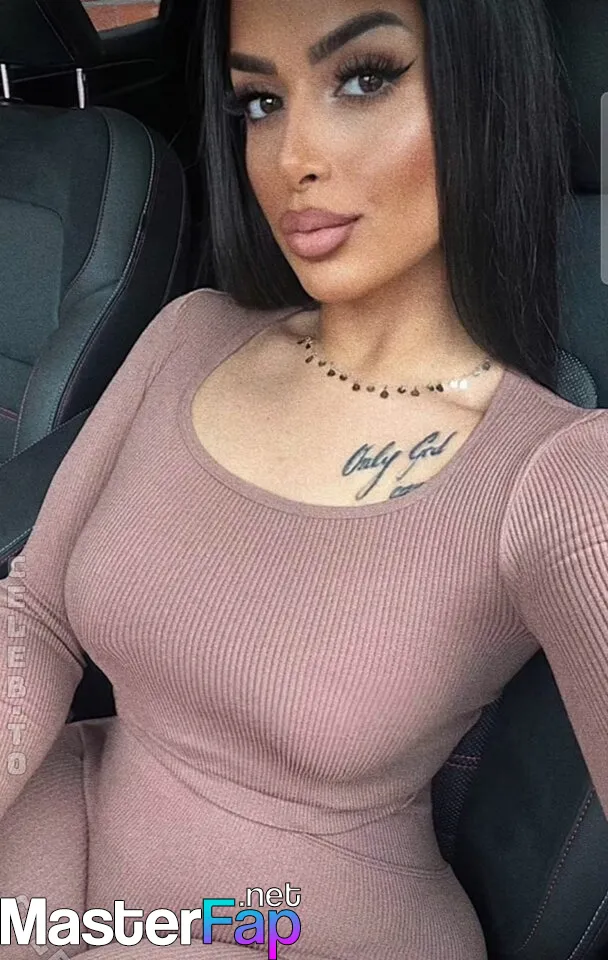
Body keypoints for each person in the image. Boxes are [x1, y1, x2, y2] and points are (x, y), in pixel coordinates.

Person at [1, 0, 607, 958]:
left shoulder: (555, 471)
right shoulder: (188, 334)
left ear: (488, 94)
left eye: (364, 79)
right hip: (72, 830)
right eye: (261, 102)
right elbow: (34, 615)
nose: (292, 156)